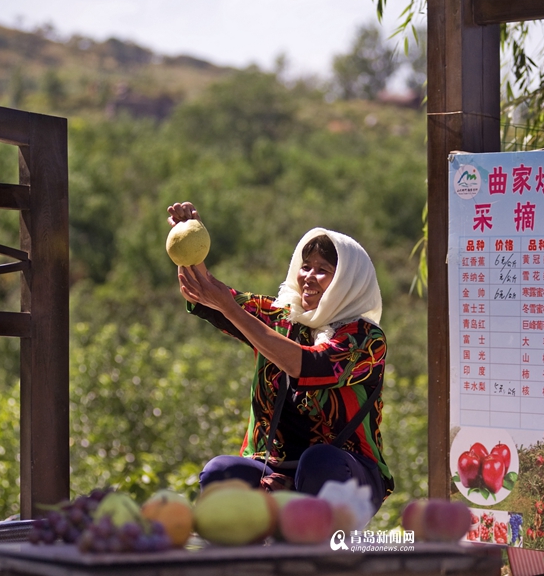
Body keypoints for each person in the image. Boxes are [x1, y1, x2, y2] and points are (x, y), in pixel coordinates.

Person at [167, 201, 394, 512]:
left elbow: (305, 365)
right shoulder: (282, 318)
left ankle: (314, 552)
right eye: (305, 266)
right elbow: (207, 295)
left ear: (347, 282)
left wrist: (231, 309)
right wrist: (188, 243)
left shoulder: (366, 340)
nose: (309, 277)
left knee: (319, 462)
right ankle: (247, 556)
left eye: (323, 270)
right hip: (274, 470)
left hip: (345, 476)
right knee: (220, 473)